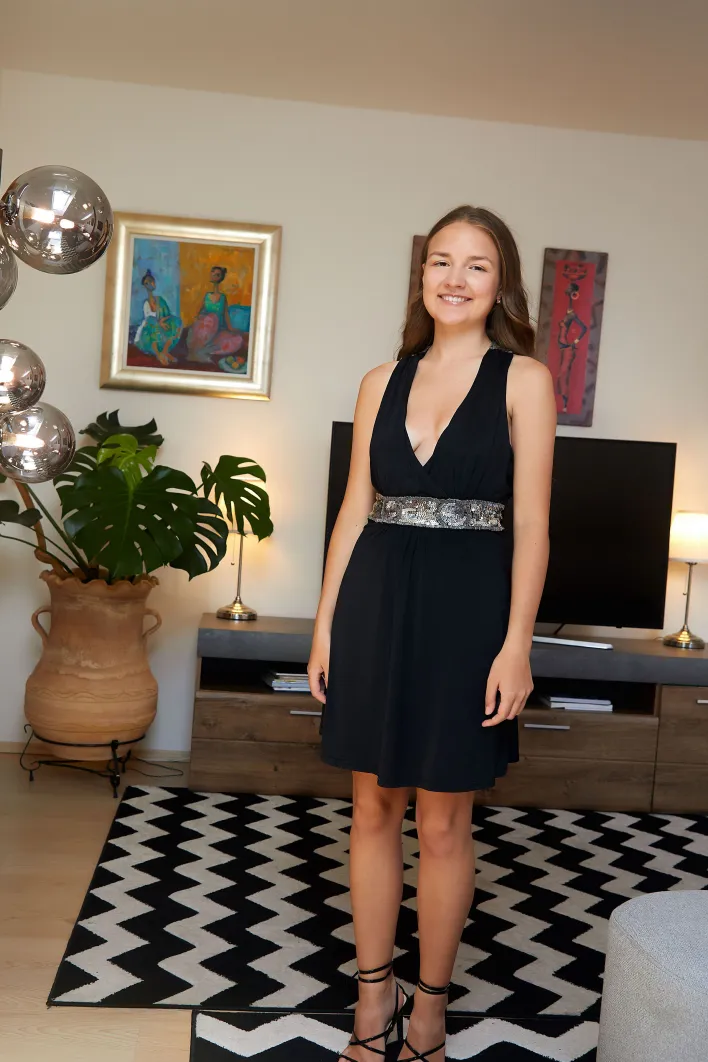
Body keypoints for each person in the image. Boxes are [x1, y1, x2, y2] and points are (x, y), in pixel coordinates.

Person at [307, 205, 556, 1062]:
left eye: (476, 265)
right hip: (375, 604)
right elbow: (354, 510)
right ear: (421, 277)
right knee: (371, 808)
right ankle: (372, 1000)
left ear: (501, 284)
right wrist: (325, 627)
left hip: (467, 616)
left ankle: (430, 1011)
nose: (455, 278)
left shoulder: (524, 381)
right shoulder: (380, 380)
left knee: (445, 824)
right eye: (441, 261)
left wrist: (517, 643)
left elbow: (533, 525)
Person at [185, 265, 244, 363]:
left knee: (238, 340)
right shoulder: (207, 296)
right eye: (213, 273)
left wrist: (232, 329)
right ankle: (200, 347)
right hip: (206, 331)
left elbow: (226, 315)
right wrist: (198, 323)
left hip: (218, 331)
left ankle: (207, 350)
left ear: (221, 278)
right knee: (211, 318)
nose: (214, 276)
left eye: (217, 275)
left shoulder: (223, 298)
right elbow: (198, 314)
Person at [134, 269, 182, 366]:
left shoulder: (160, 300)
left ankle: (165, 351)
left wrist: (162, 321)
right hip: (150, 330)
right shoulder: (146, 303)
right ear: (145, 286)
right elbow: (148, 319)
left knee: (177, 321)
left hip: (162, 326)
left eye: (151, 282)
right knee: (152, 321)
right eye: (147, 283)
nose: (150, 284)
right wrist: (159, 323)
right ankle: (158, 354)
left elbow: (168, 314)